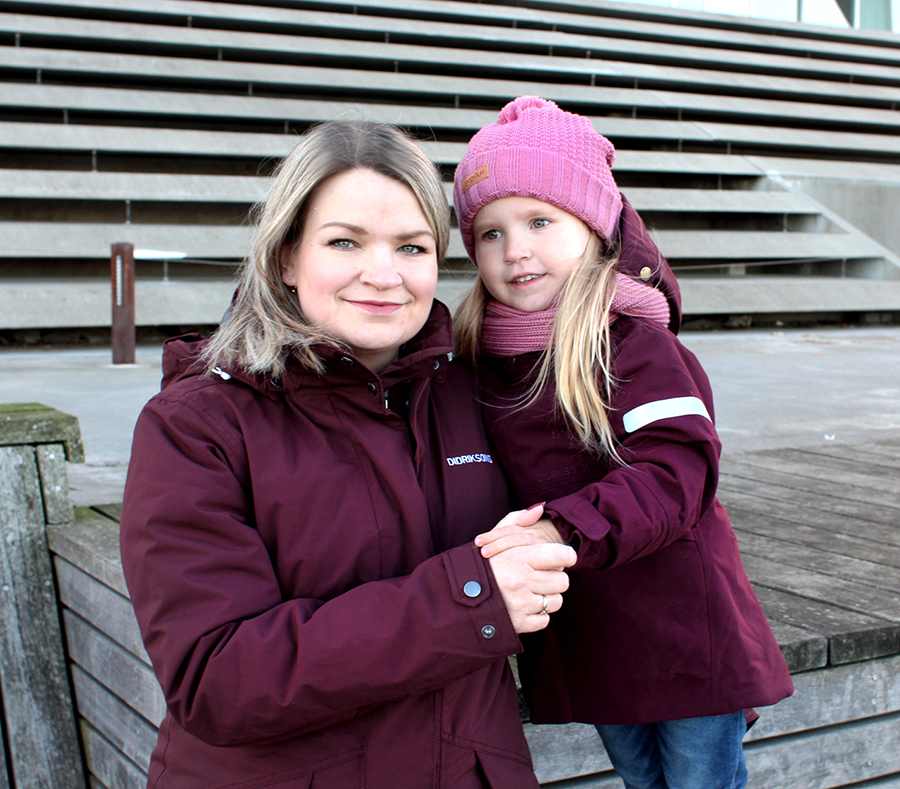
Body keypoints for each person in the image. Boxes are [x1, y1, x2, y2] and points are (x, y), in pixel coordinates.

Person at [119, 119, 577, 789]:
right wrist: (472, 601)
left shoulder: (476, 393)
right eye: (345, 242)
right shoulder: (196, 425)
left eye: (411, 247)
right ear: (286, 256)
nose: (383, 274)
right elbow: (215, 678)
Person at [452, 96, 794, 789]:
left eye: (540, 221)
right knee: (642, 778)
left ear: (593, 226)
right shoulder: (479, 359)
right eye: (490, 232)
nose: (514, 250)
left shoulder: (633, 342)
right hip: (595, 633)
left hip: (682, 626)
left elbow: (677, 470)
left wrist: (558, 527)